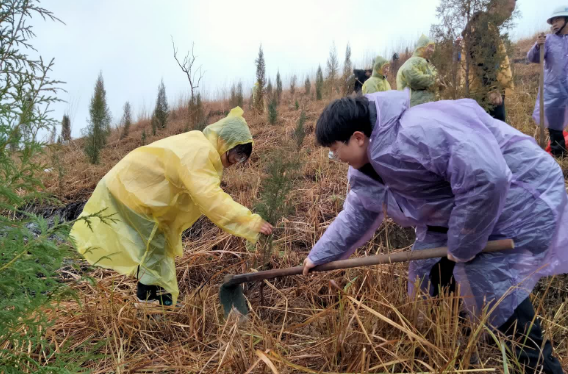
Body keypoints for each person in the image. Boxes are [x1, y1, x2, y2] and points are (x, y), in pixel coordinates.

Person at [303, 91, 567, 373]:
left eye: (334, 149)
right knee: (428, 280)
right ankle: (457, 351)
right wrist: (320, 255)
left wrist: (464, 243)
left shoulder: (416, 133)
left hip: (514, 197)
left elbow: (488, 177)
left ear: (357, 138)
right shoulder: (365, 168)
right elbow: (356, 214)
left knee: (494, 284)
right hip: (455, 215)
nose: (335, 157)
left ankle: (539, 365)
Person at [71, 107, 273, 306]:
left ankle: (153, 298)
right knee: (155, 245)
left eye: (242, 159)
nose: (235, 162)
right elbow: (211, 198)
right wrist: (250, 221)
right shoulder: (199, 153)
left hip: (131, 189)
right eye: (237, 154)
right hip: (130, 191)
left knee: (156, 245)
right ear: (224, 142)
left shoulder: (201, 146)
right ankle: (150, 301)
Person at [462, 0, 515, 121]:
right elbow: (479, 56)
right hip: (484, 93)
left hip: (489, 91)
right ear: (495, 5)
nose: (510, 15)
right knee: (491, 133)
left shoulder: (490, 26)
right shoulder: (482, 24)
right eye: (509, 10)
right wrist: (491, 86)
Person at [528, 6, 568, 158]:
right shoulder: (548, 41)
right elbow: (532, 58)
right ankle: (560, 158)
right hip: (554, 91)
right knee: (555, 128)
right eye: (553, 21)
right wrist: (538, 46)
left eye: (558, 19)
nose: (554, 24)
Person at [396, 34, 438, 106]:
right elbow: (413, 79)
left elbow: (437, 78)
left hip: (427, 105)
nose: (432, 50)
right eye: (430, 47)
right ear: (422, 47)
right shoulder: (413, 61)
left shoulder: (427, 63)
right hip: (416, 106)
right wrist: (435, 81)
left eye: (433, 48)